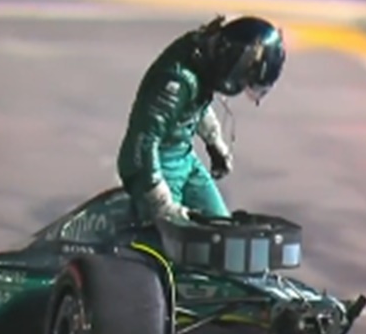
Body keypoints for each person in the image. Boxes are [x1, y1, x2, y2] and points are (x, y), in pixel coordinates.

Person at [116, 15, 287, 224]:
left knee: (221, 227)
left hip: (184, 157)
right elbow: (144, 141)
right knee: (180, 245)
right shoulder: (177, 81)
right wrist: (161, 202)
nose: (241, 86)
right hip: (157, 164)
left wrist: (215, 142)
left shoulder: (203, 61)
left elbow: (195, 105)